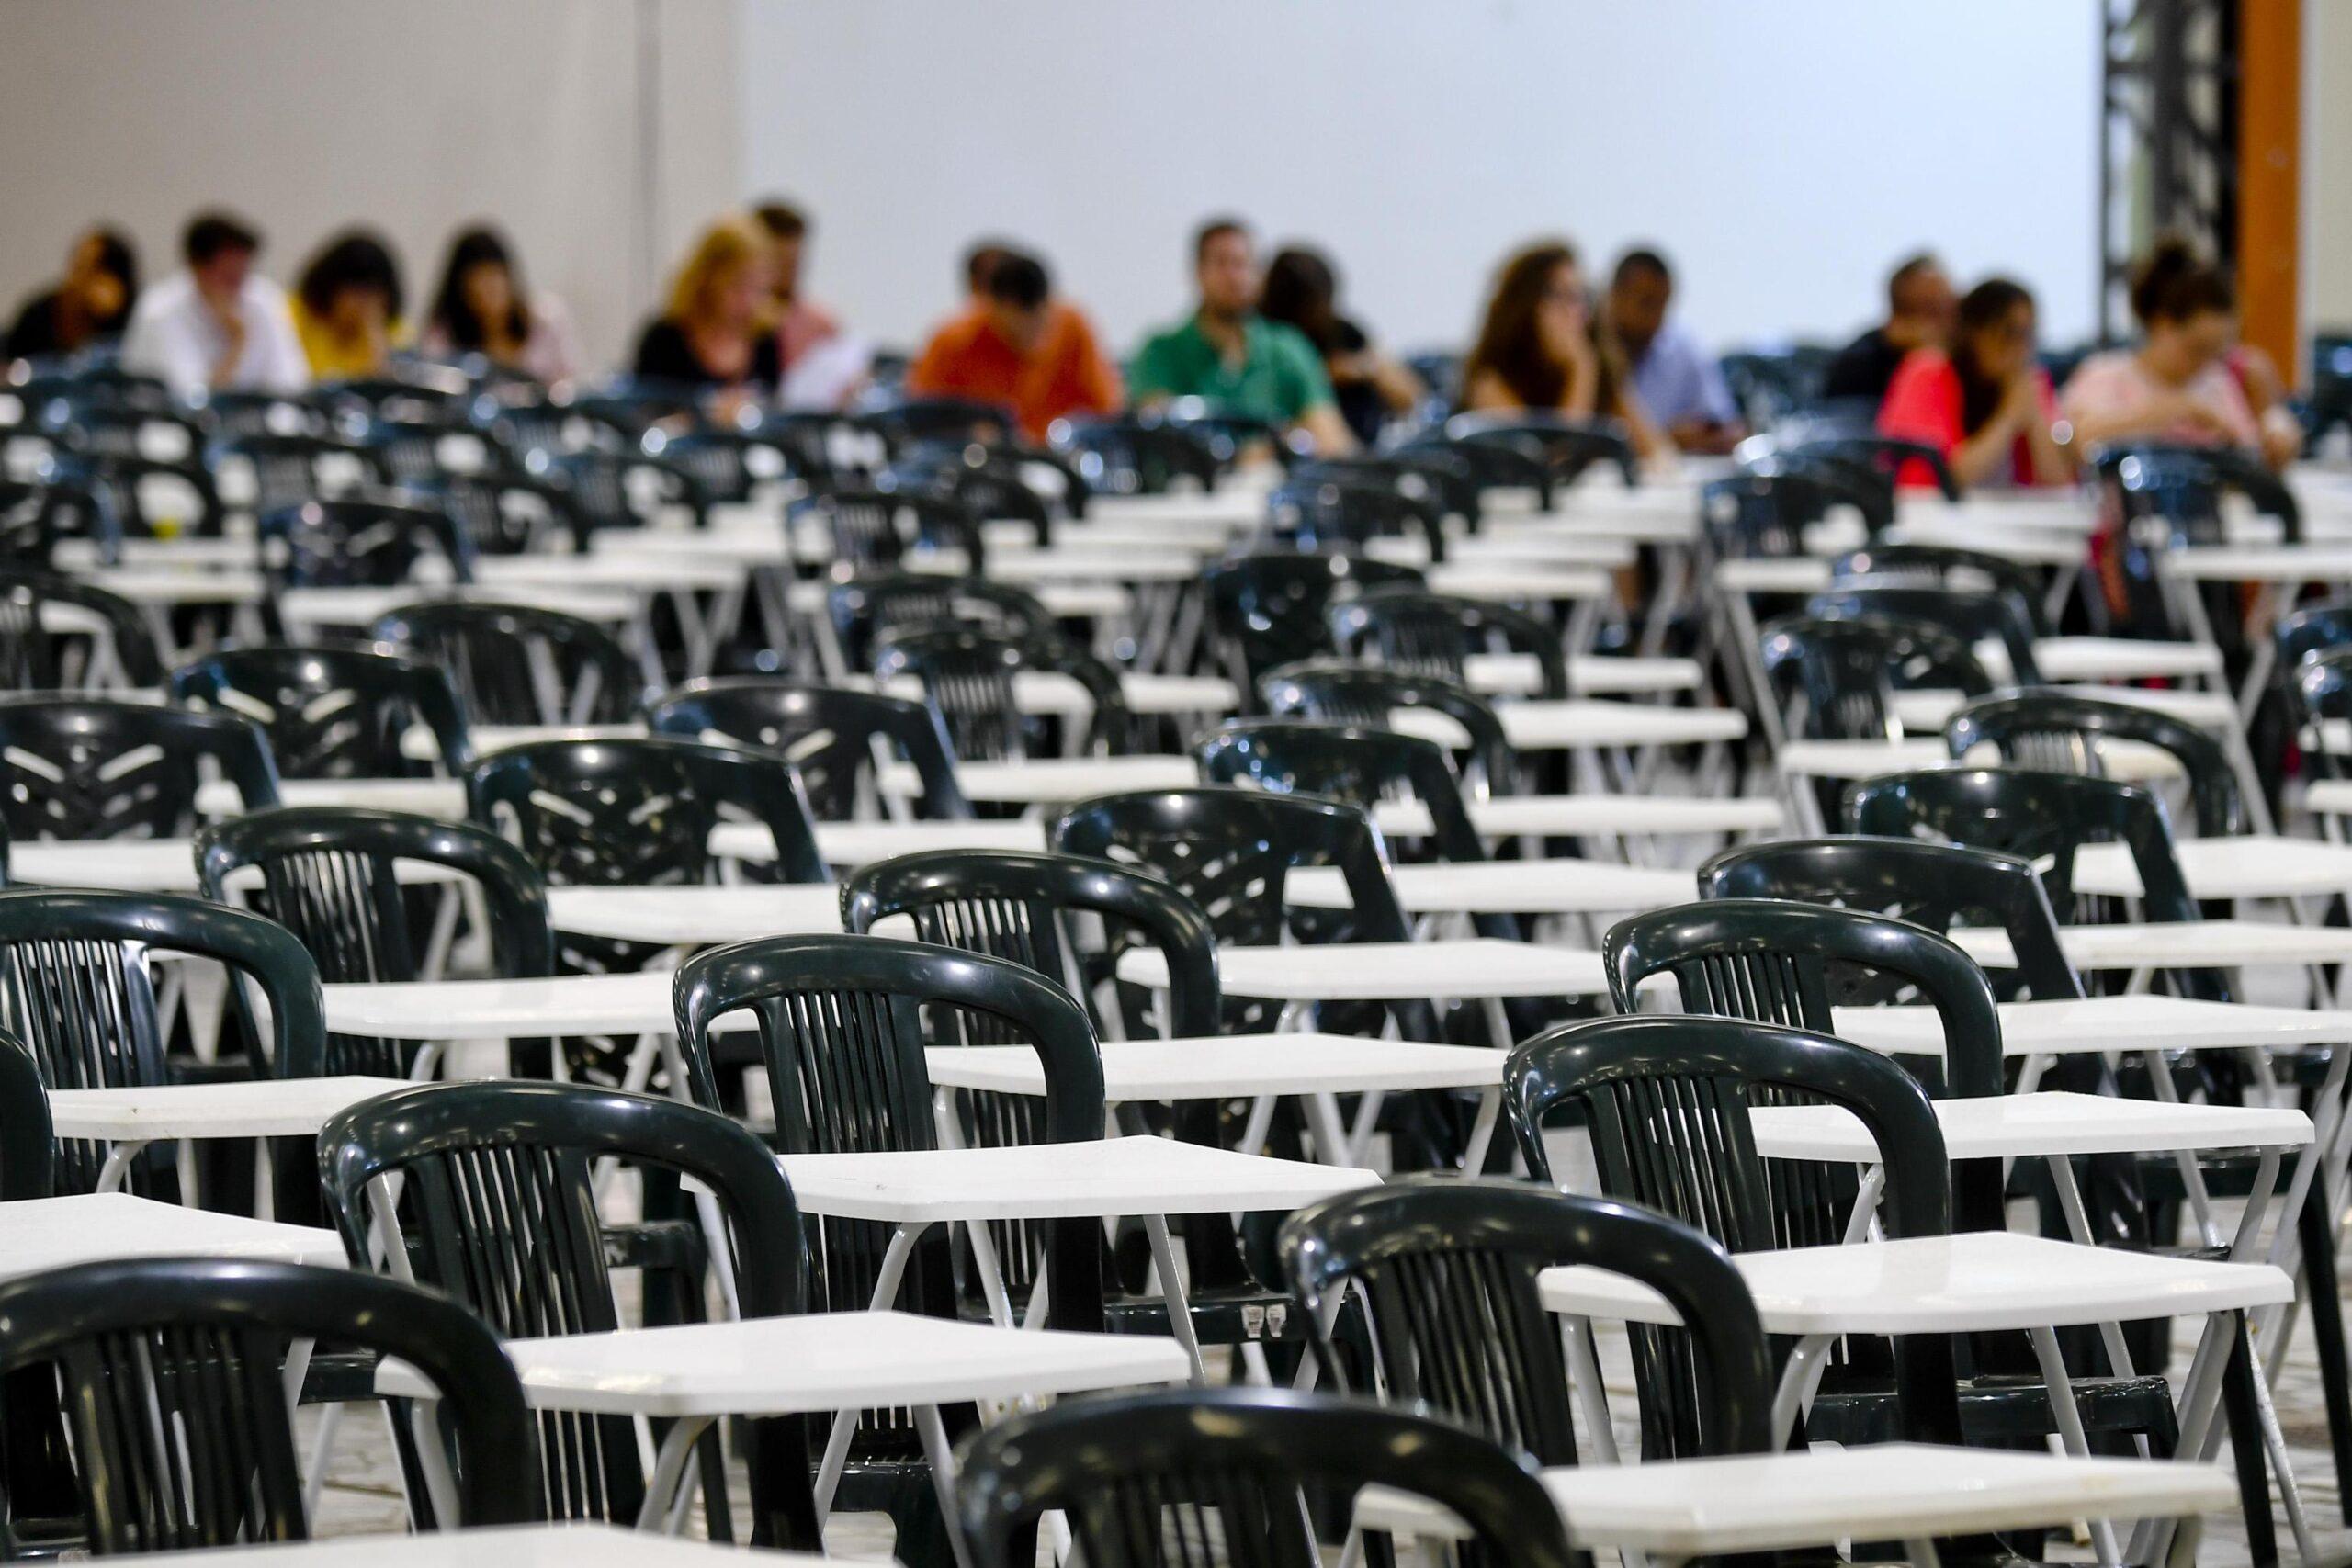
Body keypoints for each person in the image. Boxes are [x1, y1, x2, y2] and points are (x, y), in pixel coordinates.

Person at [2061, 237, 2300, 468]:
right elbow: (2079, 441)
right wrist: (2177, 409)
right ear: (2162, 325)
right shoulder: (2104, 375)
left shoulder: (2214, 381)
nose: (2205, 362)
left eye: (2216, 352)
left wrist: (2275, 436)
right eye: (2197, 349)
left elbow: (2247, 449)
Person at [1128, 218, 1353, 455]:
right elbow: (1161, 442)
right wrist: (1265, 449)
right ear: (1198, 272)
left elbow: (1332, 440)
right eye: (1222, 263)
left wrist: (1275, 449)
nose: (1235, 277)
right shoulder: (1161, 352)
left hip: (1277, 487)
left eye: (1244, 264)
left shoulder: (1287, 349)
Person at [1460, 240, 1669, 462]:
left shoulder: (1601, 370)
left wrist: (1596, 372)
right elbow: (1545, 467)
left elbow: (1659, 453)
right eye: (1562, 295)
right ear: (1528, 304)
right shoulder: (1491, 380)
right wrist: (1581, 370)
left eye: (1582, 296)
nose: (1577, 311)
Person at [906, 247, 1120, 441]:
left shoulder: (1073, 327)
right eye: (1018, 324)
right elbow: (920, 417)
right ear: (992, 307)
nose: (1031, 335)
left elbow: (1105, 410)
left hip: (1060, 456)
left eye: (1040, 322)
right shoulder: (954, 341)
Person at [1876, 277, 2072, 489]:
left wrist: (2035, 419)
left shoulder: (2030, 383)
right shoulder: (1928, 374)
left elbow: (2059, 484)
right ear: (1975, 332)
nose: (2021, 349)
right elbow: (1947, 477)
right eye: (2010, 333)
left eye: (2029, 335)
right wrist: (2008, 418)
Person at [120, 210, 309, 399]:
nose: (238, 288)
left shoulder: (264, 300)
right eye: (228, 277)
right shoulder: (160, 312)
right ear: (197, 268)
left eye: (242, 274)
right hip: (166, 423)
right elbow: (190, 403)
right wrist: (237, 345)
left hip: (248, 423)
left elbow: (292, 383)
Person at [1257, 245, 1421, 446]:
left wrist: (1362, 369)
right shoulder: (1268, 340)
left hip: (1367, 445)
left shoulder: (1344, 332)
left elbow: (1412, 397)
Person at [631, 213, 780, 416]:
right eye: (737, 286)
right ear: (709, 279)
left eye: (757, 289)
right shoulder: (665, 339)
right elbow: (644, 413)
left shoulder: (765, 339)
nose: (748, 301)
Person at [1603, 247, 1742, 455]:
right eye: (1647, 303)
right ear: (1614, 296)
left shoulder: (1683, 345)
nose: (1656, 317)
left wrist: (1700, 436)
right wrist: (1666, 437)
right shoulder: (1588, 349)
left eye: (1663, 304)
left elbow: (1731, 430)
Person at [420, 226, 579, 385]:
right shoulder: (443, 336)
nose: (487, 303)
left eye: (493, 288)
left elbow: (570, 383)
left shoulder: (547, 318)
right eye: (475, 295)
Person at [751, 200, 867, 411]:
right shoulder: (741, 327)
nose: (791, 272)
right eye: (781, 262)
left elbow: (852, 376)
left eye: (796, 262)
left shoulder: (820, 322)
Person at [1820, 253, 1957, 406]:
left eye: (1950, 305)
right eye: (1932, 309)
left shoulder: (1964, 357)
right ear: (1897, 318)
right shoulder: (1859, 365)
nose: (1947, 322)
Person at [5, 228, 139, 363]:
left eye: (95, 272)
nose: (81, 281)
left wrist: (110, 316)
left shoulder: (133, 317)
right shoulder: (40, 312)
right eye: (79, 267)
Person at [291, 230, 406, 381]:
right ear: (330, 288)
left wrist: (377, 340)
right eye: (356, 292)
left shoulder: (393, 333)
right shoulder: (293, 317)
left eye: (374, 294)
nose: (365, 303)